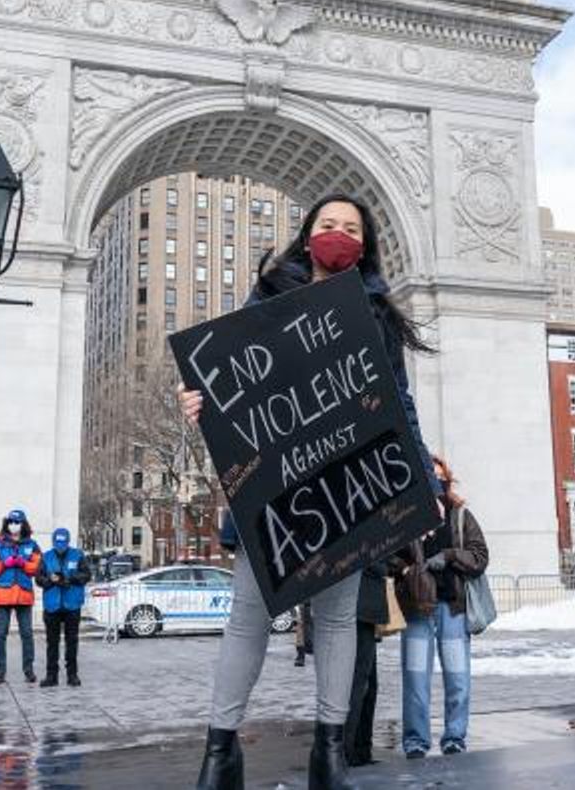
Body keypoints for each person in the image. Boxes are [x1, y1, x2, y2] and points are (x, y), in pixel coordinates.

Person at [180, 193, 441, 790]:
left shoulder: (377, 315)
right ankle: (219, 752)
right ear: (307, 235)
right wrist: (196, 400)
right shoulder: (270, 296)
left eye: (352, 228)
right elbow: (223, 378)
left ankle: (331, 750)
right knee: (247, 615)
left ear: (366, 245)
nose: (339, 235)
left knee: (338, 618)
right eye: (328, 225)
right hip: (273, 485)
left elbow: (400, 402)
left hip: (345, 478)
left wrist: (420, 480)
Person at [393, 457, 488, 759]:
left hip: (452, 608)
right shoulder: (406, 516)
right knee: (415, 678)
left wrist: (448, 555)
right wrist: (407, 569)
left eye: (441, 478)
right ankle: (416, 742)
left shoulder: (460, 516)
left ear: (448, 480)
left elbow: (480, 556)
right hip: (417, 608)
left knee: (457, 677)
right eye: (430, 477)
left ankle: (454, 737)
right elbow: (388, 554)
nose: (437, 483)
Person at [0, 509, 43, 683]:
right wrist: (3, 564)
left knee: (27, 634)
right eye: (11, 522)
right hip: (2, 595)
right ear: (6, 524)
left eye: (17, 522)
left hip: (23, 595)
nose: (13, 525)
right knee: (0, 634)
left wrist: (23, 563)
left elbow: (37, 567)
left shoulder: (32, 545)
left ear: (23, 524)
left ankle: (29, 670)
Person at [344, 562, 388, 767]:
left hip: (364, 607)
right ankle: (347, 750)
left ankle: (360, 750)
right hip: (360, 607)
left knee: (368, 683)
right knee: (359, 683)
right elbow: (376, 564)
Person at [37, 527, 90, 687]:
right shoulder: (46, 557)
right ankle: (51, 676)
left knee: (71, 641)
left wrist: (70, 578)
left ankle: (72, 675)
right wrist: (50, 580)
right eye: (58, 542)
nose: (60, 545)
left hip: (72, 604)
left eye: (63, 542)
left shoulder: (78, 555)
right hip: (52, 604)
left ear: (68, 541)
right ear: (53, 542)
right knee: (51, 642)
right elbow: (38, 578)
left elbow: (87, 575)